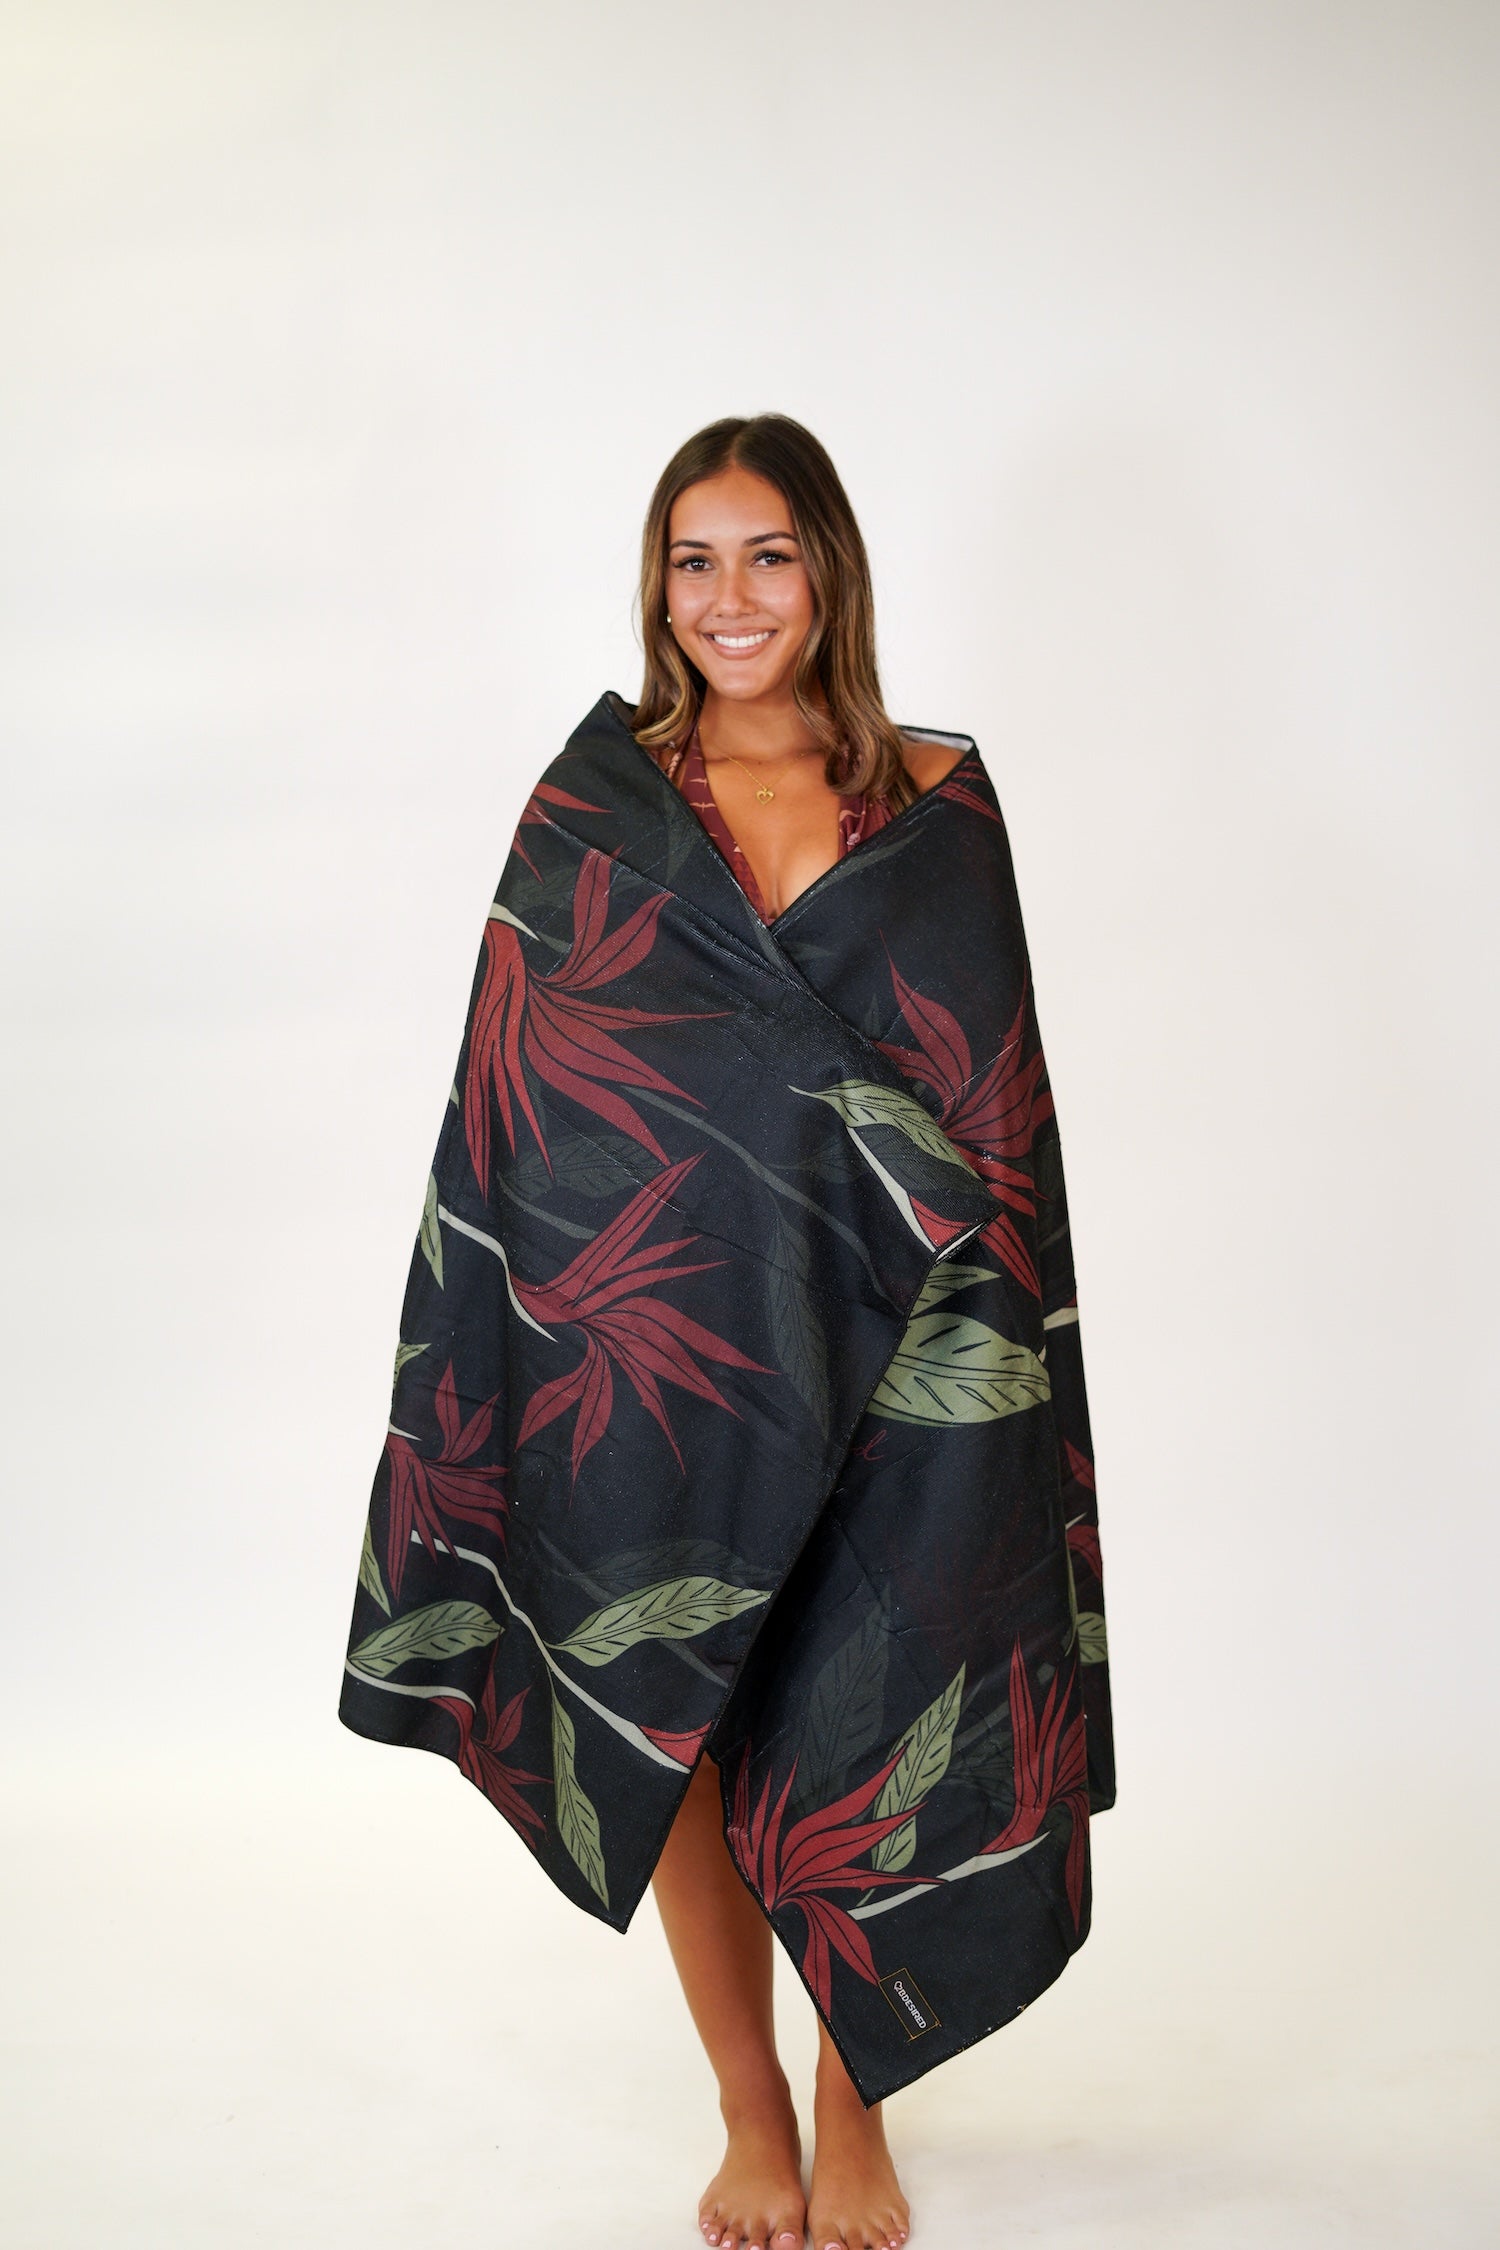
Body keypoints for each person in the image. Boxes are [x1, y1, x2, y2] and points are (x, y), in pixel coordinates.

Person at [339, 414, 1113, 2250]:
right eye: (695, 560)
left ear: (828, 569)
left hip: (912, 1363)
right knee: (667, 1716)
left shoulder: (939, 809)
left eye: (768, 554)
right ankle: (749, 2108)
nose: (730, 597)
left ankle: (857, 2114)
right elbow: (527, 1103)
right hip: (664, 1349)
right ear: (657, 585)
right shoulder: (599, 804)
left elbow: (994, 1123)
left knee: (882, 1709)